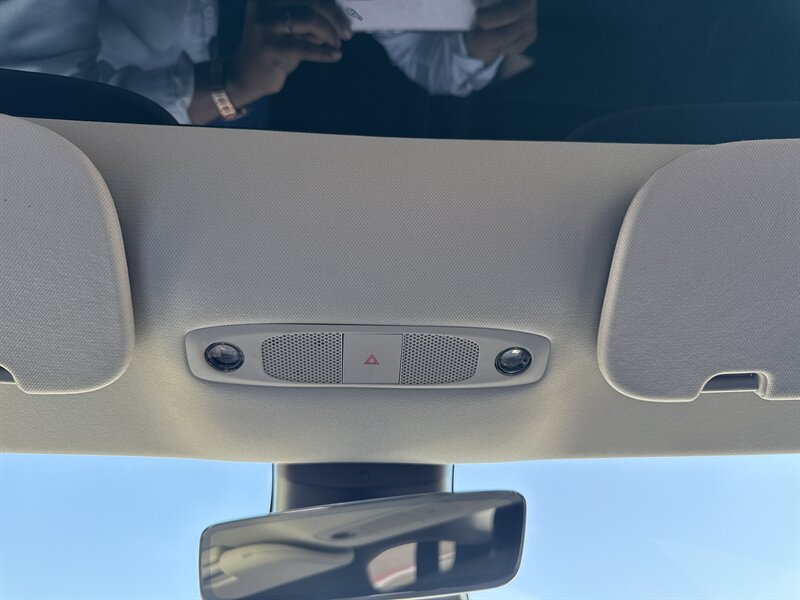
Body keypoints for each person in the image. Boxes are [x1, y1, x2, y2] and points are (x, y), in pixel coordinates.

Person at [0, 0, 537, 125]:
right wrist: (233, 87)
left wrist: (482, 39)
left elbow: (424, 57)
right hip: (167, 123)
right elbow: (53, 104)